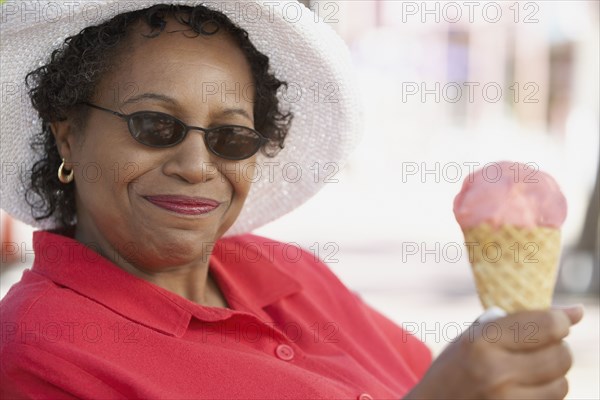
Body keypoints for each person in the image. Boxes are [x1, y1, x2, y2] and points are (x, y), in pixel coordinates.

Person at [0, 1, 582, 399]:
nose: (198, 165)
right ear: (67, 133)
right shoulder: (38, 348)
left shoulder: (285, 270)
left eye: (231, 137)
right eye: (155, 126)